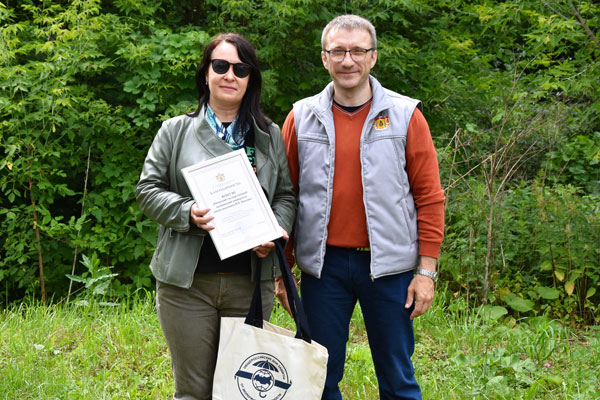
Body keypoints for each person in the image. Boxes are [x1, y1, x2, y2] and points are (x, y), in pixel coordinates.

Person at [281, 15, 445, 400]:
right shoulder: (301, 116)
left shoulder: (406, 116)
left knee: (398, 379)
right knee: (319, 377)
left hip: (389, 268)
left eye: (358, 51)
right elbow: (286, 196)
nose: (348, 60)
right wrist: (282, 272)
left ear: (373, 57)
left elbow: (429, 197)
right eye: (338, 51)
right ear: (325, 58)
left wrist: (426, 271)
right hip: (324, 268)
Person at [136, 33, 296, 400]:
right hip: (188, 285)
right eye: (221, 65)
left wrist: (275, 230)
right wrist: (187, 211)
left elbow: (285, 196)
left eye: (241, 69)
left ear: (251, 79)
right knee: (194, 391)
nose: (229, 75)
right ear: (206, 73)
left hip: (250, 283)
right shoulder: (175, 131)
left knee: (243, 392)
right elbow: (147, 190)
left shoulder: (268, 135)